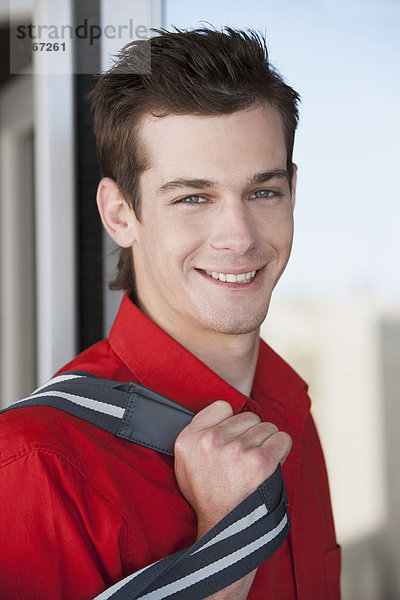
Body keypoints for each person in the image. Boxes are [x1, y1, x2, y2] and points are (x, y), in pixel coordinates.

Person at [0, 28, 340, 599]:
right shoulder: (33, 465)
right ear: (119, 213)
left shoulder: (289, 415)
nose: (239, 237)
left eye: (262, 192)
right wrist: (226, 544)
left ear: (293, 192)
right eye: (193, 197)